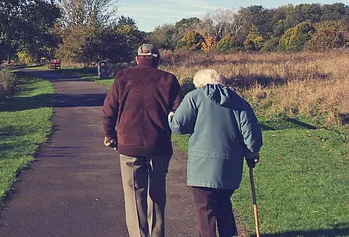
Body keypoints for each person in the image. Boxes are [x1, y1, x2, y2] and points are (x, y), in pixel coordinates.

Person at [169, 68, 263, 237]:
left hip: (202, 166)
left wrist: (170, 116)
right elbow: (250, 133)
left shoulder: (194, 97)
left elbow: (178, 125)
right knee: (223, 202)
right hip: (230, 165)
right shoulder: (238, 101)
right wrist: (252, 153)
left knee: (205, 208)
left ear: (199, 84)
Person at [102, 44, 183, 237]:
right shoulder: (169, 80)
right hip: (159, 145)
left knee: (133, 196)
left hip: (129, 145)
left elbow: (109, 110)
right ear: (157, 59)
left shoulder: (123, 77)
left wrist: (109, 135)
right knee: (156, 195)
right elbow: (178, 113)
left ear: (137, 58)